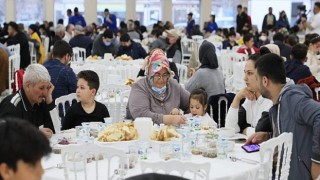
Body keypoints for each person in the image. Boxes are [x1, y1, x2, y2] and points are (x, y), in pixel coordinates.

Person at [245, 53, 320, 179]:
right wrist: (269, 136)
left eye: (256, 79)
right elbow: (291, 133)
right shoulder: (278, 104)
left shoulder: (293, 99)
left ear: (265, 81)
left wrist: (317, 160)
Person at [127, 50, 189, 125]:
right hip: (142, 132)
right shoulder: (140, 86)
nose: (161, 79)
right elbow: (141, 114)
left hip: (170, 133)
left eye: (165, 75)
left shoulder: (173, 85)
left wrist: (187, 117)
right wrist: (169, 119)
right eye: (157, 75)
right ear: (150, 74)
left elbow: (192, 103)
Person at [0, 64, 58, 138]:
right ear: (28, 86)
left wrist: (49, 100)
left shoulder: (40, 102)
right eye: (41, 88)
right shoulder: (12, 105)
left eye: (47, 88)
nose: (45, 92)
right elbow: (5, 138)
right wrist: (35, 133)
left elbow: (57, 129)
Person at [225, 54, 273, 137]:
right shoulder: (250, 97)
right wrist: (237, 99)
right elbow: (230, 129)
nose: (245, 78)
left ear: (263, 76)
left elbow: (259, 134)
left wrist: (245, 129)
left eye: (250, 73)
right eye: (245, 73)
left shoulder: (270, 100)